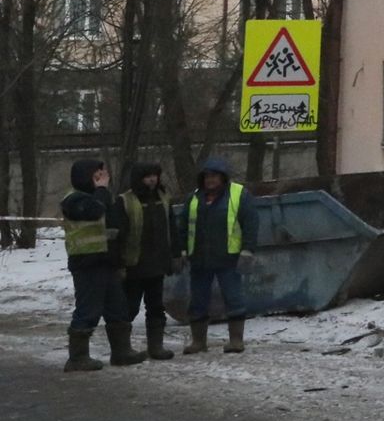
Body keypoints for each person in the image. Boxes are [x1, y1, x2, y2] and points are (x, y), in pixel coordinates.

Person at [60, 157, 139, 371]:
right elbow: (94, 210)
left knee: (117, 307)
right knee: (88, 309)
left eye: (101, 176)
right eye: (96, 176)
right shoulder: (73, 200)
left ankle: (121, 351)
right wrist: (102, 190)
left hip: (106, 261)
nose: (100, 180)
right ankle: (77, 358)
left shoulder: (100, 197)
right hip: (87, 262)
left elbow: (112, 223)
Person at [173, 157, 257, 354]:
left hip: (228, 258)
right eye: (207, 176)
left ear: (223, 177)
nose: (210, 180)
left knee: (233, 298)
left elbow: (251, 223)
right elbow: (183, 226)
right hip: (200, 259)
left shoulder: (239, 194)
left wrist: (247, 250)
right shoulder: (194, 198)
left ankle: (236, 341)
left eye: (214, 176)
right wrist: (181, 251)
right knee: (198, 301)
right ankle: (198, 342)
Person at [119, 162, 178, 361]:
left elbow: (172, 228)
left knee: (156, 306)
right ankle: (122, 348)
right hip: (134, 264)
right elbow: (119, 235)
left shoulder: (163, 198)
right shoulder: (125, 201)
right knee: (129, 307)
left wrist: (176, 255)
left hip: (158, 263)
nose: (152, 180)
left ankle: (156, 347)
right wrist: (119, 263)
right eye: (147, 176)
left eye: (155, 175)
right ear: (138, 178)